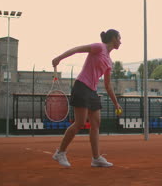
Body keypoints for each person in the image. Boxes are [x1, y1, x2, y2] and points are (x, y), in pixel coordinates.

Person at [51, 29, 123, 168]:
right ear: (113, 38)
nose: (120, 41)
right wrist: (59, 58)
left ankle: (96, 158)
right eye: (119, 38)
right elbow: (77, 49)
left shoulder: (109, 61)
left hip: (92, 91)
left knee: (96, 123)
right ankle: (60, 152)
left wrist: (116, 104)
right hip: (82, 86)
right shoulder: (98, 47)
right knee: (80, 122)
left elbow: (108, 85)